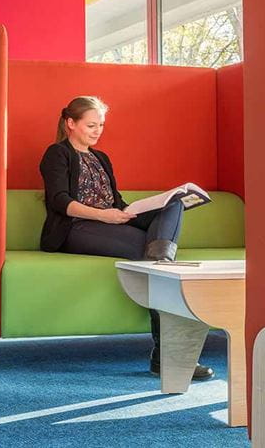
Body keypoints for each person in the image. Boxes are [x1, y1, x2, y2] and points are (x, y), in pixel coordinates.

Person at [38, 96, 214, 381]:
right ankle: (169, 354)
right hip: (76, 228)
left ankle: (161, 261)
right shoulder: (56, 154)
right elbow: (60, 201)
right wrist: (103, 215)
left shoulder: (101, 157)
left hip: (111, 219)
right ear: (70, 123)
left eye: (101, 125)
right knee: (156, 261)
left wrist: (127, 212)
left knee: (174, 204)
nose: (97, 131)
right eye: (91, 125)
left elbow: (115, 200)